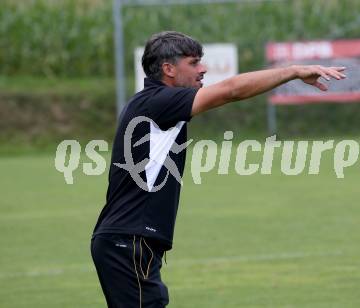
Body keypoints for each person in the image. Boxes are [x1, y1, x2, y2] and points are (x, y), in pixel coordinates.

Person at [91, 31, 345, 308]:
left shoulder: (153, 102)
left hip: (129, 242)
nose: (203, 69)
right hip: (128, 242)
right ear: (168, 69)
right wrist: (294, 71)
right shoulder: (158, 101)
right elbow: (231, 90)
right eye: (194, 62)